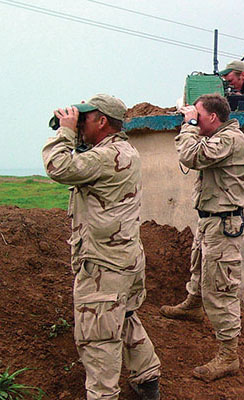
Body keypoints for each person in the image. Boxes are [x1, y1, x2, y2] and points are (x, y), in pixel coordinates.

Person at [42, 94, 161, 400]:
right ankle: (147, 378)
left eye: (85, 119)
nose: (80, 124)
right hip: (123, 258)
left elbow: (58, 166)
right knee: (123, 318)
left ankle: (103, 395)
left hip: (103, 264)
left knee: (97, 339)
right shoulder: (120, 151)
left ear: (102, 121)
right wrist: (77, 132)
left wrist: (66, 132)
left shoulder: (106, 157)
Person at [160, 94, 244, 382]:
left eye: (199, 115)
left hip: (224, 222)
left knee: (221, 288)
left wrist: (188, 125)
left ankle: (229, 356)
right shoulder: (220, 137)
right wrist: (190, 120)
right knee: (200, 266)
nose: (194, 119)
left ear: (213, 117)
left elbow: (191, 156)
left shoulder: (230, 139)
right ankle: (192, 304)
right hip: (211, 219)